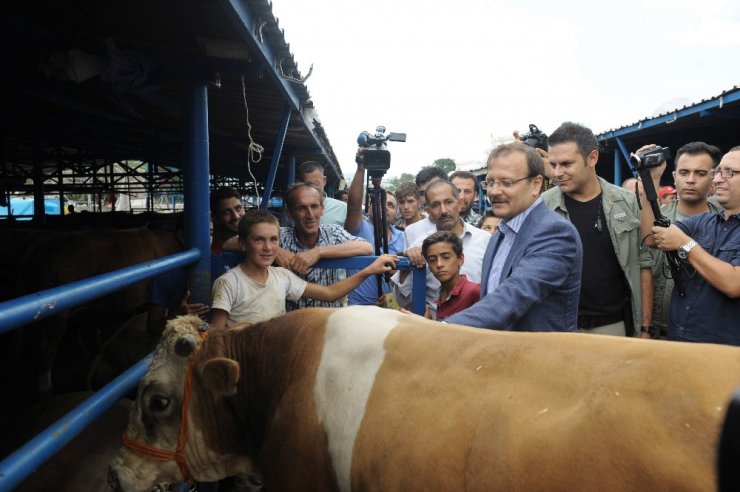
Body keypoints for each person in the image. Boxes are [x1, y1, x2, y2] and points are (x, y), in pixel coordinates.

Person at [445, 143, 582, 331]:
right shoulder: (499, 235)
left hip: (539, 358)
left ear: (536, 184)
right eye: (490, 182)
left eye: (506, 182)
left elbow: (513, 296)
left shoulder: (555, 233)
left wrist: (442, 329)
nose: (493, 191)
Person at [543, 122, 653, 338]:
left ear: (592, 158)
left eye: (566, 164)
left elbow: (644, 265)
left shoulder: (627, 202)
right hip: (558, 326)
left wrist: (646, 328)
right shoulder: (542, 207)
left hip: (614, 327)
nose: (558, 173)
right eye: (553, 164)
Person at [210, 209, 397, 329]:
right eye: (259, 240)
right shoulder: (228, 283)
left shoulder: (282, 276)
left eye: (274, 240)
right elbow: (216, 334)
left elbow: (330, 293)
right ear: (243, 244)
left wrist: (369, 270)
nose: (268, 248)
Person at [651, 146, 740, 345]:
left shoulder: (695, 229)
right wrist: (650, 179)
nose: (717, 180)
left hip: (724, 354)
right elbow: (654, 236)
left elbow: (734, 284)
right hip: (680, 342)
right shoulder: (704, 221)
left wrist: (685, 244)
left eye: (730, 173)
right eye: (717, 173)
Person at [391, 179, 490, 318]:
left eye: (448, 202)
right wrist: (407, 264)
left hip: (478, 328)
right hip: (436, 330)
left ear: (460, 203)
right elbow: (403, 299)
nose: (443, 210)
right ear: (428, 210)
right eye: (436, 205)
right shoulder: (419, 245)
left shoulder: (485, 240)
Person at [278, 182, 374, 310]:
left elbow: (366, 247)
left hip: (327, 323)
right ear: (289, 212)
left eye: (314, 207)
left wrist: (319, 252)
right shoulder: (279, 237)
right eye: (301, 208)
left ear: (322, 209)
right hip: (293, 325)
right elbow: (244, 239)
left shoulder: (332, 232)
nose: (310, 215)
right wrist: (275, 250)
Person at [344, 154, 404, 306]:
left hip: (392, 311)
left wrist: (393, 299)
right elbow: (353, 206)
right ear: (369, 207)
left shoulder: (404, 237)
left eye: (391, 205)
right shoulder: (360, 229)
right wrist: (361, 168)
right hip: (359, 310)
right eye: (380, 202)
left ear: (396, 212)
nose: (385, 206)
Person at [147, 215, 212, 338]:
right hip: (181, 342)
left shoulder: (222, 266)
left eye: (211, 233)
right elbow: (152, 330)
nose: (208, 238)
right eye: (201, 233)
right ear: (182, 237)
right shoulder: (165, 275)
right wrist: (178, 316)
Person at [422, 231, 480, 321]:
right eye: (432, 260)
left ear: (460, 259)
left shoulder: (474, 292)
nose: (439, 264)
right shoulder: (435, 297)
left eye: (446, 257)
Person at [403, 166, 449, 248]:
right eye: (422, 193)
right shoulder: (411, 232)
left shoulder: (470, 231)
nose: (428, 198)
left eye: (433, 190)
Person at [296, 161, 347, 226]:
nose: (312, 189)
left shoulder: (343, 209)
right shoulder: (294, 209)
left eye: (315, 184)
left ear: (324, 181)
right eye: (308, 185)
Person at [211, 187, 245, 253]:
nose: (236, 216)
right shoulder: (212, 246)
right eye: (226, 212)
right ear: (215, 218)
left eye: (238, 208)